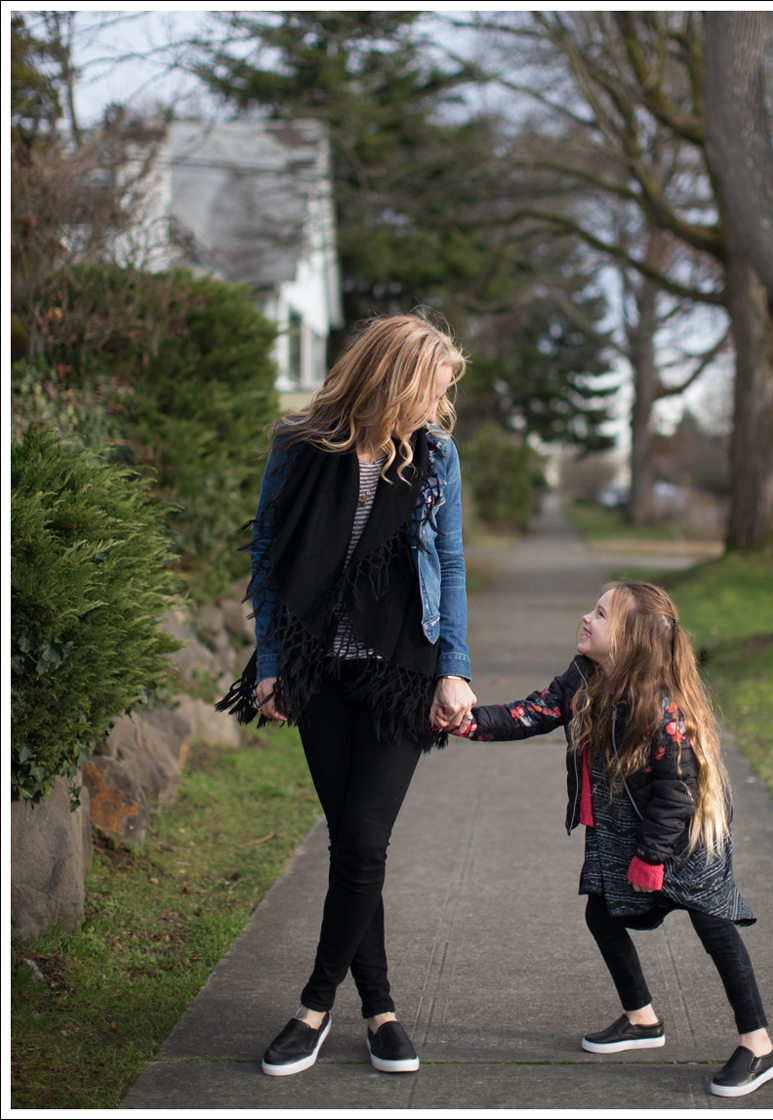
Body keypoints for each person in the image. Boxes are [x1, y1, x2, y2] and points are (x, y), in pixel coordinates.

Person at [218, 314, 476, 1076]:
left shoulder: (435, 456)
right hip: (315, 668)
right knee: (354, 846)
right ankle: (385, 1011)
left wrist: (454, 667)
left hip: (401, 669)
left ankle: (315, 1005)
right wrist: (271, 662)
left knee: (364, 837)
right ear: (394, 378)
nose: (442, 403)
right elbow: (266, 553)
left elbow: (451, 563)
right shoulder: (300, 445)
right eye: (435, 385)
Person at [449, 580, 773, 1098]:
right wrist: (470, 723)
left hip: (684, 839)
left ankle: (758, 1044)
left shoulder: (660, 705)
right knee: (601, 913)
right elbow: (532, 712)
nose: (586, 617)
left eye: (600, 614)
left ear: (629, 640)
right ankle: (643, 1020)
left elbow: (677, 792)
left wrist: (653, 858)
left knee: (715, 927)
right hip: (627, 830)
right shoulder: (584, 677)